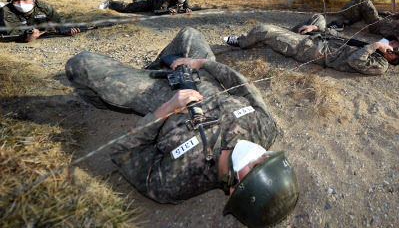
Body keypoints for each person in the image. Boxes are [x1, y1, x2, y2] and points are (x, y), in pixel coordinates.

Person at [65, 27, 299, 226]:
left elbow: (121, 152)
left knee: (80, 64)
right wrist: (204, 63)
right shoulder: (264, 128)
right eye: (267, 157)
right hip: (198, 75)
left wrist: (165, 110)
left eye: (257, 165)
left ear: (233, 188)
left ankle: (136, 80)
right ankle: (159, 65)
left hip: (154, 95)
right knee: (189, 33)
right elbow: (243, 86)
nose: (260, 154)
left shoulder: (176, 181)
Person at [223, 13, 399, 75]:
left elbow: (355, 60)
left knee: (262, 29)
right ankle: (284, 35)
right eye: (391, 42)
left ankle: (242, 42)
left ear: (394, 57)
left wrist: (375, 46)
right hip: (322, 39)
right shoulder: (374, 49)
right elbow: (343, 40)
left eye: (393, 47)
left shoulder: (381, 65)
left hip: (312, 49)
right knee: (318, 18)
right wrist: (317, 29)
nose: (389, 44)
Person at [0, 0, 79, 42]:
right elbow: (11, 33)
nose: (20, 3)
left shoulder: (44, 7)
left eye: (24, 0)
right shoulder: (6, 11)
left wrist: (66, 31)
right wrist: (27, 38)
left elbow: (59, 22)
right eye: (16, 0)